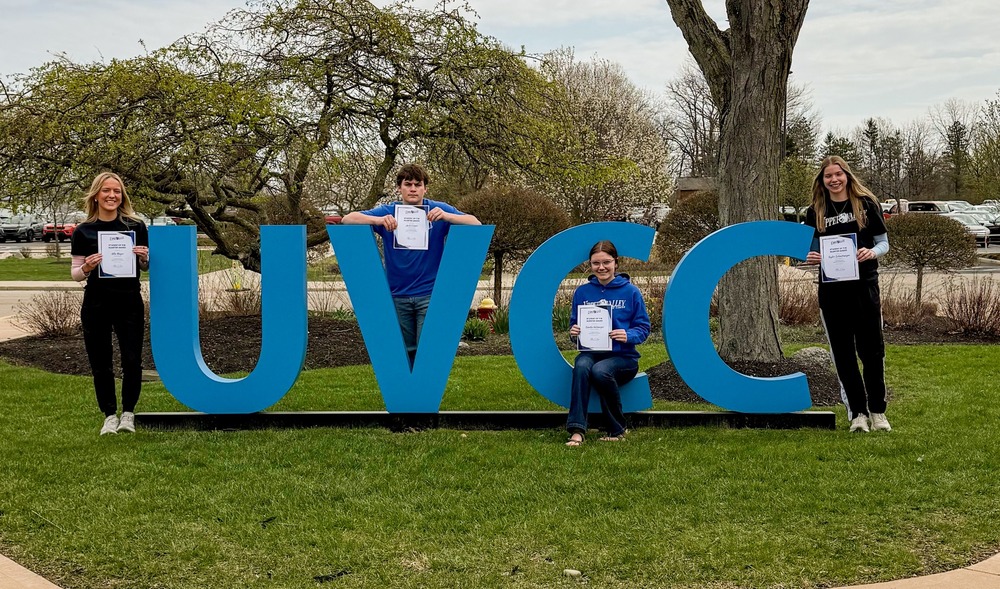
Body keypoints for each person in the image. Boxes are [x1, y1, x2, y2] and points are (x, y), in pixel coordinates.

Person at [341, 164, 481, 367]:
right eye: (408, 184)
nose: (413, 188)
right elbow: (348, 219)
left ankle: (425, 394)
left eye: (418, 184)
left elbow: (475, 223)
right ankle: (408, 395)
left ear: (425, 188)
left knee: (427, 350)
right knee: (404, 354)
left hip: (429, 294)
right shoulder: (389, 211)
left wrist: (447, 217)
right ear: (400, 188)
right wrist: (379, 220)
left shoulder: (437, 210)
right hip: (398, 294)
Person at [804, 156, 891, 433]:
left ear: (847, 176)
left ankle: (878, 412)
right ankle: (858, 414)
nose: (834, 180)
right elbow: (807, 250)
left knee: (872, 352)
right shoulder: (815, 210)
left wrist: (871, 253)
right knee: (843, 356)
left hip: (865, 287)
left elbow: (884, 243)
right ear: (822, 181)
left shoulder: (865, 204)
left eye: (838, 174)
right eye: (828, 176)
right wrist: (810, 257)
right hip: (832, 292)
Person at [71, 172, 150, 435]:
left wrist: (143, 259)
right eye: (106, 191)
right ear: (96, 195)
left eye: (117, 191)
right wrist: (87, 266)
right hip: (96, 302)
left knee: (131, 359)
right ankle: (109, 416)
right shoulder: (83, 231)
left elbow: (146, 267)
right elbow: (75, 274)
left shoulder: (136, 227)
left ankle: (128, 414)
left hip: (129, 300)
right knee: (100, 361)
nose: (111, 196)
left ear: (122, 196)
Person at [565, 240, 650, 446]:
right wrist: (574, 332)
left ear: (616, 263)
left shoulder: (631, 292)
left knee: (600, 370)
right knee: (582, 364)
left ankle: (617, 429)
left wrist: (627, 335)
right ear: (590, 265)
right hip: (591, 352)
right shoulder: (582, 293)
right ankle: (577, 430)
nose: (601, 267)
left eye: (606, 262)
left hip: (624, 357)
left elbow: (644, 328)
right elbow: (574, 326)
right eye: (596, 263)